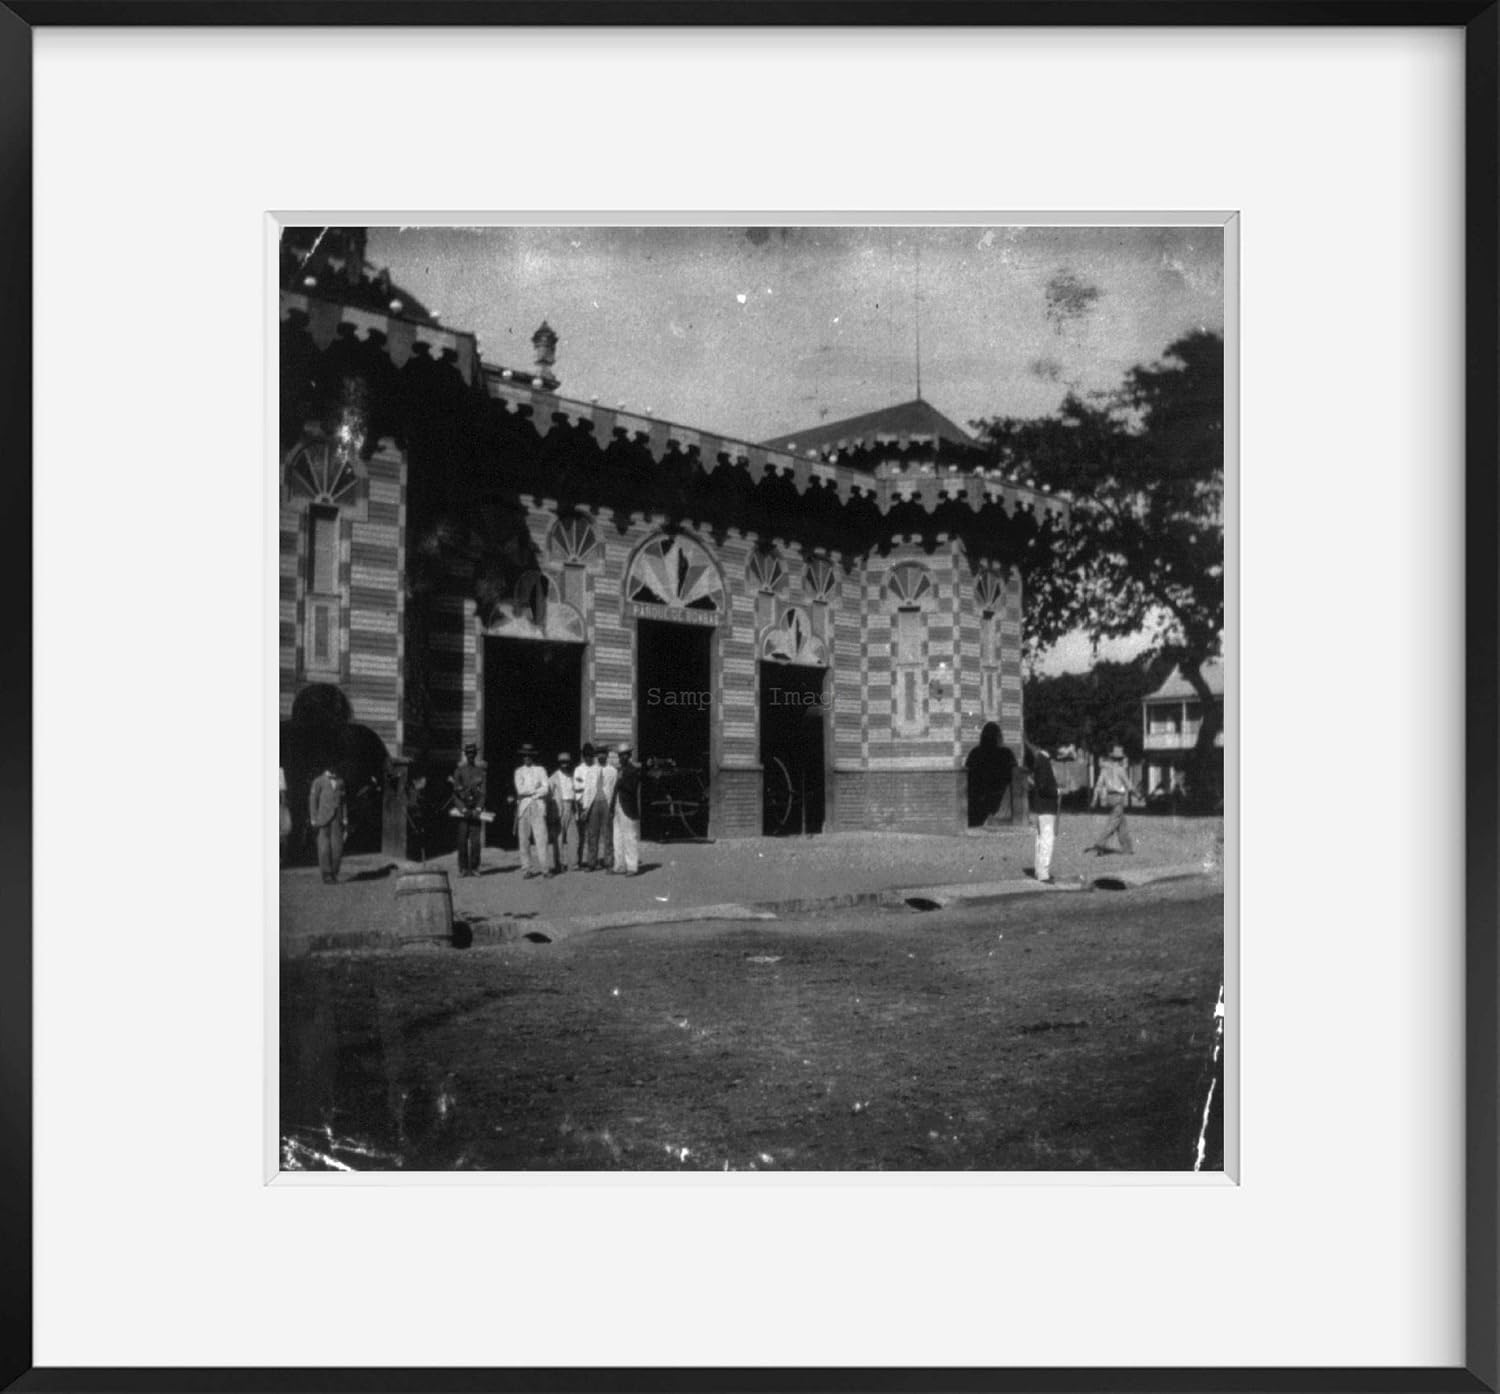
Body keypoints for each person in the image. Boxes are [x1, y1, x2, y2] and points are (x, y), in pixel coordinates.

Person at [1089, 745, 1140, 855]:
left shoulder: (1104, 770)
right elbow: (1129, 785)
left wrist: (1094, 799)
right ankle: (1100, 843)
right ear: (1121, 759)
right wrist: (1137, 795)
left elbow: (1098, 785)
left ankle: (1127, 848)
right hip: (1118, 798)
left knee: (1122, 824)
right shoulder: (1121, 770)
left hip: (1109, 797)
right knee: (1113, 823)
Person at [1024, 740, 1061, 884]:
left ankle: (1039, 871)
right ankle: (1043, 873)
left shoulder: (1039, 760)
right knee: (1047, 840)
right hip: (1046, 807)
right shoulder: (1044, 762)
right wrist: (1057, 791)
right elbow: (1045, 787)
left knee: (1040, 840)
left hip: (1040, 807)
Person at [450, 742, 487, 877]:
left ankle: (475, 867)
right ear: (465, 755)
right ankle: (463, 868)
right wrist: (463, 809)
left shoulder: (480, 772)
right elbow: (455, 795)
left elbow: (483, 793)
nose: (471, 756)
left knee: (476, 842)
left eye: (473, 754)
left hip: (475, 811)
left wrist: (478, 808)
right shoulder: (459, 772)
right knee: (461, 841)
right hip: (463, 812)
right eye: (468, 754)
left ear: (475, 755)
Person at [513, 744, 550, 878]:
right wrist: (536, 790)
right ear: (522, 757)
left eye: (529, 755)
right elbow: (520, 789)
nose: (527, 757)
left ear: (533, 756)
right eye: (524, 755)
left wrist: (531, 792)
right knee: (524, 840)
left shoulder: (540, 770)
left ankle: (545, 869)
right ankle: (526, 869)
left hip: (538, 805)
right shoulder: (519, 771)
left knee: (542, 838)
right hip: (523, 807)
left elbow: (546, 788)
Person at [308, 765, 347, 884]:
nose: (333, 769)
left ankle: (334, 872)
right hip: (323, 818)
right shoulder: (319, 781)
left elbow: (344, 801)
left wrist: (345, 817)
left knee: (337, 847)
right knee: (324, 847)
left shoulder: (340, 782)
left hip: (337, 818)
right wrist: (313, 818)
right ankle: (326, 874)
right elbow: (313, 799)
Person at [612, 746, 642, 876]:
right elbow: (615, 791)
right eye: (620, 755)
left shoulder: (633, 770)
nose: (621, 757)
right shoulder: (620, 770)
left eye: (624, 755)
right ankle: (619, 865)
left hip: (628, 806)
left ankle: (632, 867)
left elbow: (632, 788)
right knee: (617, 837)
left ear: (629, 756)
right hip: (618, 806)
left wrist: (620, 781)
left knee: (629, 837)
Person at [548, 752, 578, 874]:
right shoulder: (553, 778)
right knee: (558, 838)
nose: (565, 764)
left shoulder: (572, 776)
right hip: (560, 807)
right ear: (559, 763)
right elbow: (549, 796)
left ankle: (573, 864)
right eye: (562, 762)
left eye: (566, 762)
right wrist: (552, 811)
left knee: (573, 837)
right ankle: (558, 864)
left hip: (571, 806)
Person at [574, 744, 603, 870]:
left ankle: (592, 861)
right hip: (582, 805)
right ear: (583, 757)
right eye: (586, 756)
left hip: (594, 804)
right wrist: (583, 806)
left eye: (591, 756)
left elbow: (598, 788)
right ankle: (578, 860)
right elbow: (578, 788)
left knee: (593, 834)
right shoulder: (579, 770)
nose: (589, 759)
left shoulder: (597, 769)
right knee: (581, 835)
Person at [598, 748, 620, 871]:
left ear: (606, 756)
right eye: (599, 754)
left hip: (608, 802)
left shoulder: (612, 771)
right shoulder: (593, 769)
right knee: (593, 833)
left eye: (603, 754)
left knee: (607, 833)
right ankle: (594, 861)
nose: (601, 756)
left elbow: (615, 788)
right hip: (595, 802)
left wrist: (613, 805)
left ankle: (608, 860)